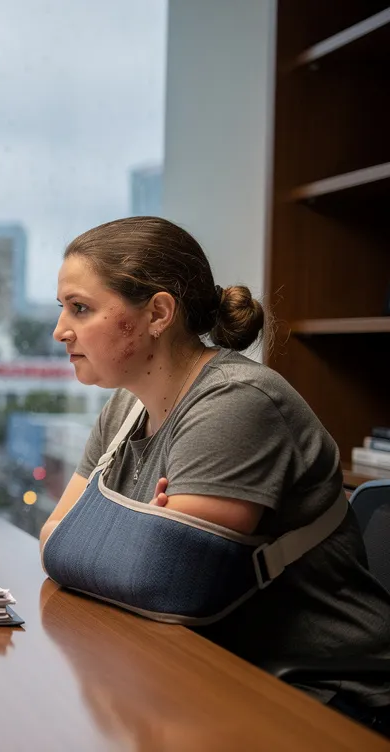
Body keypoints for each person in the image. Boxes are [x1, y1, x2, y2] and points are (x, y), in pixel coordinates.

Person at [39, 216, 390, 732]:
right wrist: (138, 539)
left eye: (81, 308)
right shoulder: (123, 410)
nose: (60, 330)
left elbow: (173, 582)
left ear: (158, 313)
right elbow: (53, 544)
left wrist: (124, 539)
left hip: (326, 694)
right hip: (205, 669)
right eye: (63, 308)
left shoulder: (238, 401)